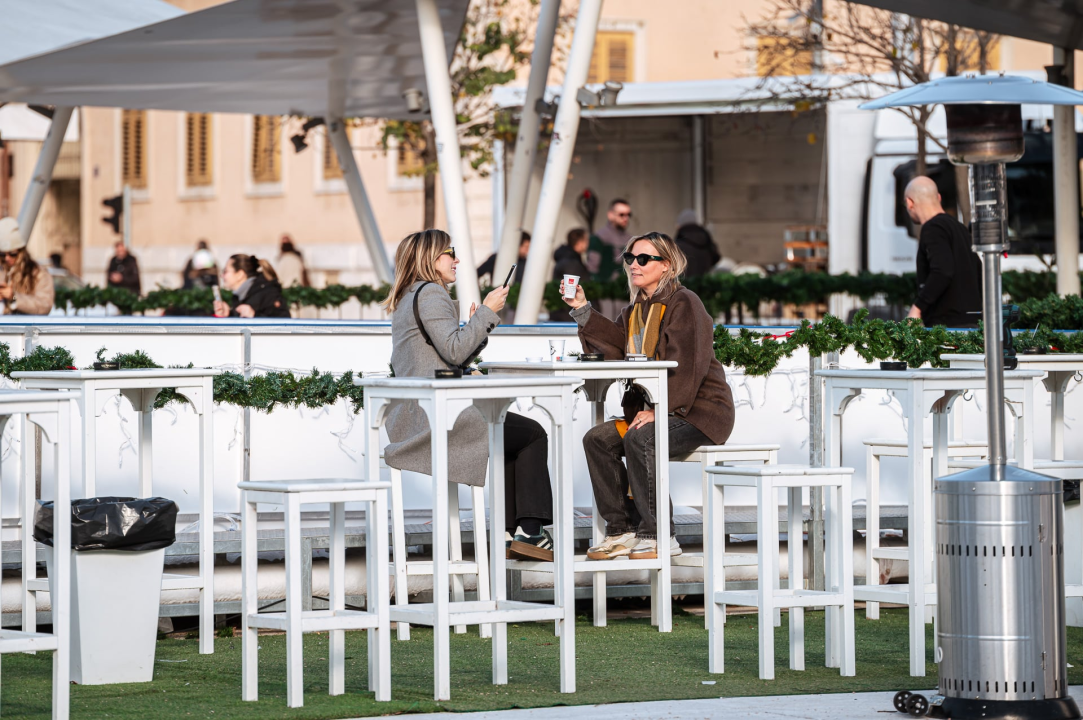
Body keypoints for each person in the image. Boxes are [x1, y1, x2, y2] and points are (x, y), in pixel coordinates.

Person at [382, 229, 555, 559]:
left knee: (509, 438)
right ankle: (529, 533)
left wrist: (478, 321)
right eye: (450, 252)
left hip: (418, 414)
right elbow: (456, 351)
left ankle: (510, 535)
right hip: (439, 417)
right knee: (532, 434)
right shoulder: (431, 293)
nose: (457, 259)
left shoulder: (409, 296)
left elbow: (447, 352)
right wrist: (487, 313)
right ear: (431, 258)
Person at [562, 231, 735, 560]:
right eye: (629, 259)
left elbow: (689, 365)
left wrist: (662, 410)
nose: (634, 265)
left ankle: (658, 534)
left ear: (666, 265)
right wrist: (582, 309)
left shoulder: (685, 302)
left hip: (698, 411)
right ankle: (622, 531)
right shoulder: (635, 311)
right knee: (596, 440)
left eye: (643, 259)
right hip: (655, 411)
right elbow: (614, 345)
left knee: (640, 439)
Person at [903, 176, 982, 328]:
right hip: (973, 324)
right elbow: (979, 271)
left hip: (946, 327)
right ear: (938, 197)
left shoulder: (932, 229)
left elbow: (942, 270)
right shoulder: (959, 228)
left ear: (910, 202)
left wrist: (917, 308)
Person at [0, 217, 55, 315]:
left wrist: (14, 297)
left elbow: (45, 306)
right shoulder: (2, 271)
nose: (7, 258)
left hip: (27, 329)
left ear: (21, 251)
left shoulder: (38, 273)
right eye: (3, 254)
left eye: (12, 254)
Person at [213, 254, 291, 318]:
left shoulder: (268, 293)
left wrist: (254, 316)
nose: (222, 276)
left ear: (240, 274)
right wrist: (228, 315)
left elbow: (284, 322)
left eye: (225, 271)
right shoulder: (240, 296)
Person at [549, 228, 590, 322]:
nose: (588, 243)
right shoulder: (571, 262)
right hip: (567, 316)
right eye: (586, 240)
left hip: (563, 313)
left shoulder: (569, 259)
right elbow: (573, 290)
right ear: (580, 242)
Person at [587, 199, 632, 281]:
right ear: (610, 215)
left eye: (628, 214)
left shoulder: (629, 239)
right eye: (621, 215)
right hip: (604, 289)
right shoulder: (599, 237)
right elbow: (592, 268)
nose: (626, 218)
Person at [673, 209, 720, 277]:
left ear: (680, 224)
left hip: (684, 284)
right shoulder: (706, 240)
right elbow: (716, 258)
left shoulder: (678, 245)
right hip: (704, 284)